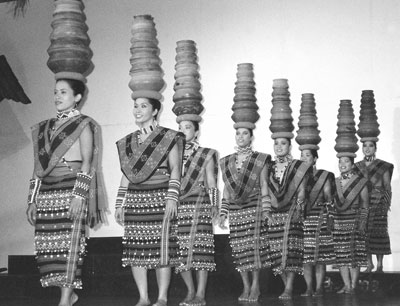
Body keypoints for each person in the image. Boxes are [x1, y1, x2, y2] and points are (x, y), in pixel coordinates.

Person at [26, 78, 103, 306]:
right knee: (50, 247)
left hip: (71, 187)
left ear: (77, 97)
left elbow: (87, 163)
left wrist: (80, 195)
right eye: (55, 92)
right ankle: (69, 296)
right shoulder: (44, 128)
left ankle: (65, 299)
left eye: (63, 92)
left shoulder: (83, 124)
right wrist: (31, 200)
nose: (57, 97)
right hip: (47, 191)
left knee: (70, 245)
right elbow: (37, 168)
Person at [114, 97, 184, 306]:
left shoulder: (169, 137)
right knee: (137, 248)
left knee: (162, 247)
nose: (137, 110)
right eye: (135, 105)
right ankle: (143, 297)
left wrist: (172, 198)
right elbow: (126, 174)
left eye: (143, 106)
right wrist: (120, 203)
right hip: (136, 198)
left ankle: (162, 297)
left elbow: (175, 171)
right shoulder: (127, 142)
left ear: (155, 111)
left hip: (161, 196)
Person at [219, 127, 271, 303]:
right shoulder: (227, 161)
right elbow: (226, 188)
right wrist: (223, 212)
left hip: (254, 204)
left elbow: (264, 183)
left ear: (251, 136)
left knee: (254, 245)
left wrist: (266, 209)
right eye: (238, 133)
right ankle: (246, 285)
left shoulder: (260, 159)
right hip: (235, 207)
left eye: (245, 133)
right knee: (239, 247)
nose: (241, 137)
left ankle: (255, 285)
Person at [176, 120, 219, 306]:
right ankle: (190, 290)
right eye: (180, 128)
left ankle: (201, 293)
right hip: (179, 205)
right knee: (181, 249)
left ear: (196, 131)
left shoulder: (206, 154)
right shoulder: (173, 153)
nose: (182, 131)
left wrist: (215, 204)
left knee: (202, 248)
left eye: (187, 127)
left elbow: (211, 181)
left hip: (200, 202)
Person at [265, 137, 311, 299]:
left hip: (292, 209)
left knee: (290, 248)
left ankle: (289, 287)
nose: (279, 146)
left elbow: (302, 190)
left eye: (283, 143)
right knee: (276, 249)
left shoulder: (298, 166)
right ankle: (286, 286)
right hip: (274, 211)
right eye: (276, 143)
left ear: (290, 146)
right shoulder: (268, 166)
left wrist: (300, 205)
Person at [300, 149, 335, 296]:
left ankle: (319, 287)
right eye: (301, 155)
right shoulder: (298, 177)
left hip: (320, 216)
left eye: (307, 155)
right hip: (304, 218)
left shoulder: (323, 176)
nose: (303, 158)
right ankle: (308, 288)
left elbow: (328, 196)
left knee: (320, 257)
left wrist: (330, 216)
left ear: (315, 159)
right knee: (306, 257)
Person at [355, 141, 393, 273]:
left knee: (379, 233)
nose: (367, 148)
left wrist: (386, 203)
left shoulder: (383, 166)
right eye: (365, 146)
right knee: (363, 232)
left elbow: (387, 186)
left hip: (379, 203)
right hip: (363, 203)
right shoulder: (357, 166)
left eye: (370, 145)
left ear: (375, 148)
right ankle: (369, 264)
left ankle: (380, 264)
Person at [333, 156, 369, 294]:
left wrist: (363, 222)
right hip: (339, 221)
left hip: (354, 220)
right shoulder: (335, 182)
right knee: (341, 254)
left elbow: (365, 204)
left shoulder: (360, 182)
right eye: (340, 161)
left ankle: (353, 285)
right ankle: (346, 285)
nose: (342, 164)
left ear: (353, 165)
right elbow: (331, 201)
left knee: (354, 254)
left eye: (346, 161)